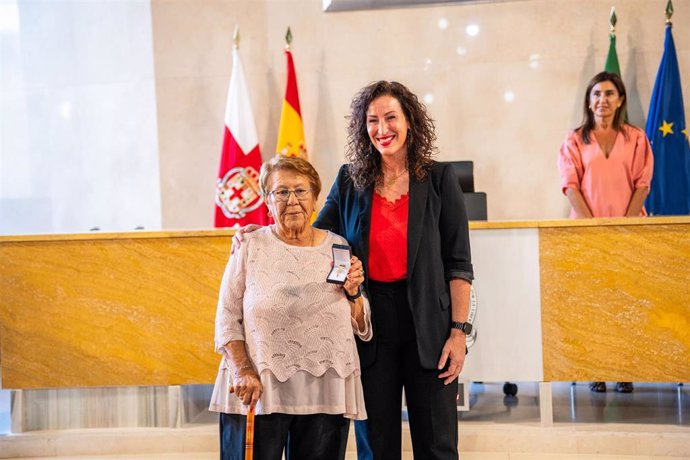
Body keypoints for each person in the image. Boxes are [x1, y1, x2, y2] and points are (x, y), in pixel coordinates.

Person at [209, 155, 372, 460]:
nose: (292, 200)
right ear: (267, 202)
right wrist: (242, 370)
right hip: (259, 387)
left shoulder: (338, 246)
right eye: (280, 192)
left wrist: (353, 295)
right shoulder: (250, 245)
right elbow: (227, 316)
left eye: (301, 191)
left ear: (315, 200)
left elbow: (362, 327)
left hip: (326, 391)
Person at [558, 71, 654, 394]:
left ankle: (624, 369)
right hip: (588, 234)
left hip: (629, 232)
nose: (603, 100)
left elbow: (642, 184)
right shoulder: (574, 140)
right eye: (597, 94)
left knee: (627, 300)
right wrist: (594, 228)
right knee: (594, 301)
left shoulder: (637, 138)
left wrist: (622, 226)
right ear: (589, 100)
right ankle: (595, 368)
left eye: (610, 93)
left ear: (620, 99)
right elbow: (570, 186)